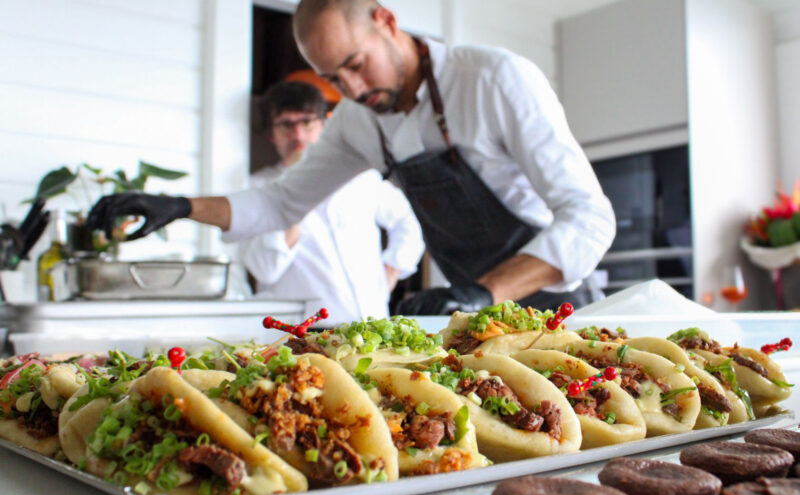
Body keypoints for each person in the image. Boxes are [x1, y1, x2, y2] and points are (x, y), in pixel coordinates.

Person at [87, 0, 616, 316]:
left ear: (386, 21)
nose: (353, 88)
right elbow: (279, 203)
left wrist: (483, 292)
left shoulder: (493, 79)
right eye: (335, 79)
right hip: (473, 313)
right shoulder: (361, 122)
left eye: (356, 65)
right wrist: (179, 205)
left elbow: (590, 219)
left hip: (557, 305)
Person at [240, 80, 424, 323]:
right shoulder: (255, 187)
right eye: (286, 125)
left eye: (306, 122)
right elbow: (265, 269)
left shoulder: (358, 176)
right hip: (301, 335)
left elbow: (408, 220)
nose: (298, 135)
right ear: (271, 135)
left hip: (372, 322)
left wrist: (393, 268)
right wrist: (294, 184)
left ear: (323, 125)